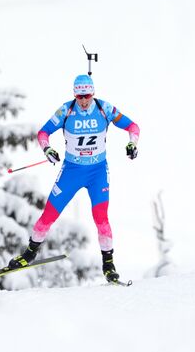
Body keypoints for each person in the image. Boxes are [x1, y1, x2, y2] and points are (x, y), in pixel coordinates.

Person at [8, 74, 140, 282]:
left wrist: (132, 143)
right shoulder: (66, 110)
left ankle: (108, 264)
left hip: (97, 172)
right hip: (71, 171)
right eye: (79, 96)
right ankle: (29, 254)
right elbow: (43, 133)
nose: (84, 100)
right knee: (49, 214)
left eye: (87, 95)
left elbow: (133, 127)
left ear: (93, 93)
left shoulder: (104, 108)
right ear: (74, 95)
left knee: (101, 218)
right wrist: (47, 149)